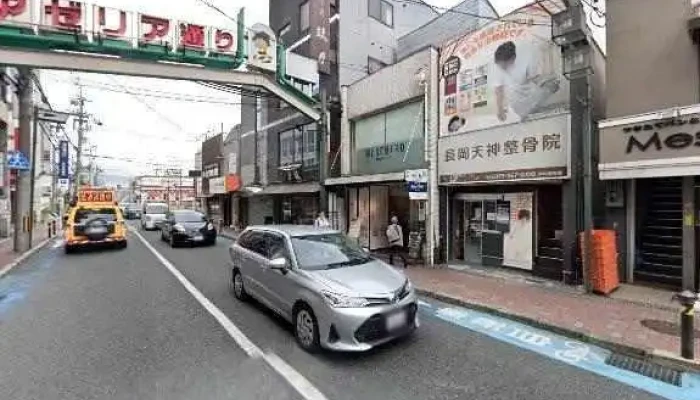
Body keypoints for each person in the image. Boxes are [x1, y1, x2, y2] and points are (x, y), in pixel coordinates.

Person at [493, 40, 560, 122]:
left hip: (529, 97)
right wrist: (500, 110)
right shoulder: (498, 67)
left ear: (513, 59)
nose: (502, 68)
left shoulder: (526, 60)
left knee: (547, 88)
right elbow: (498, 89)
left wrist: (546, 83)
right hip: (515, 105)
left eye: (504, 65)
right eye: (500, 65)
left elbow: (537, 79)